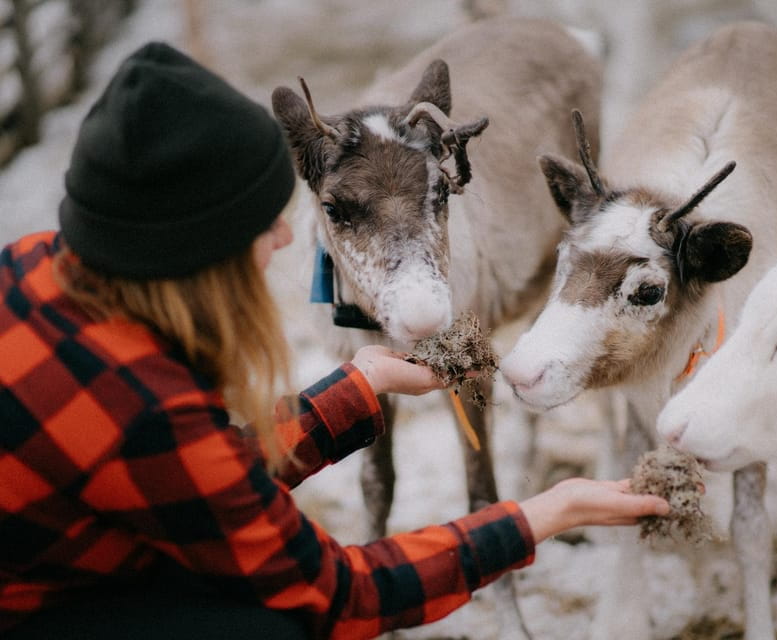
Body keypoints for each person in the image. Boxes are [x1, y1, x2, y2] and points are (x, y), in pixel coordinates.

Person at [0, 42, 670, 639]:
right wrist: (537, 519)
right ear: (194, 246)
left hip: (54, 574)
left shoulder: (28, 267)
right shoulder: (144, 408)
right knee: (267, 624)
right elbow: (339, 598)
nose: (288, 237)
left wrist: (357, 390)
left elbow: (199, 479)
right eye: (260, 223)